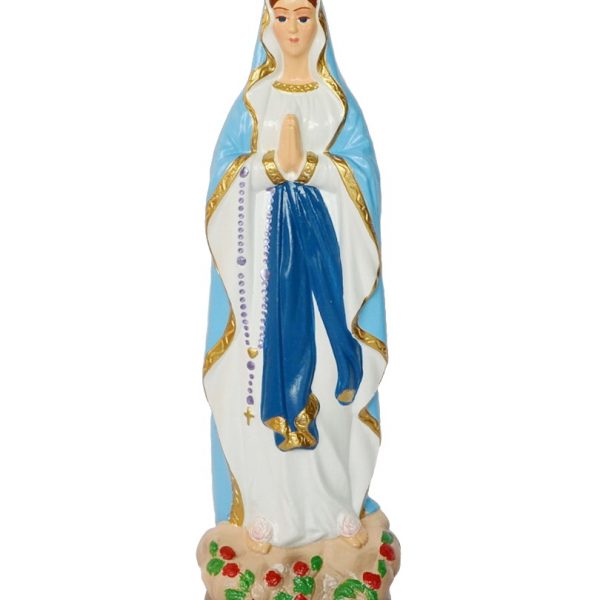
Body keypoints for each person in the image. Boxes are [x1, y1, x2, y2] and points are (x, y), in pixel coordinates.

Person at [203, 0, 388, 551]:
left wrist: (309, 168)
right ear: (267, 23)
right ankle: (266, 511)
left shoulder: (337, 105)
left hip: (327, 270)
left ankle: (333, 507)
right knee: (266, 373)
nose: (292, 28)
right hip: (265, 281)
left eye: (303, 16)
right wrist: (267, 168)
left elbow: (365, 182)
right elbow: (221, 183)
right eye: (281, 16)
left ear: (320, 24)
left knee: (328, 385)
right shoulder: (253, 102)